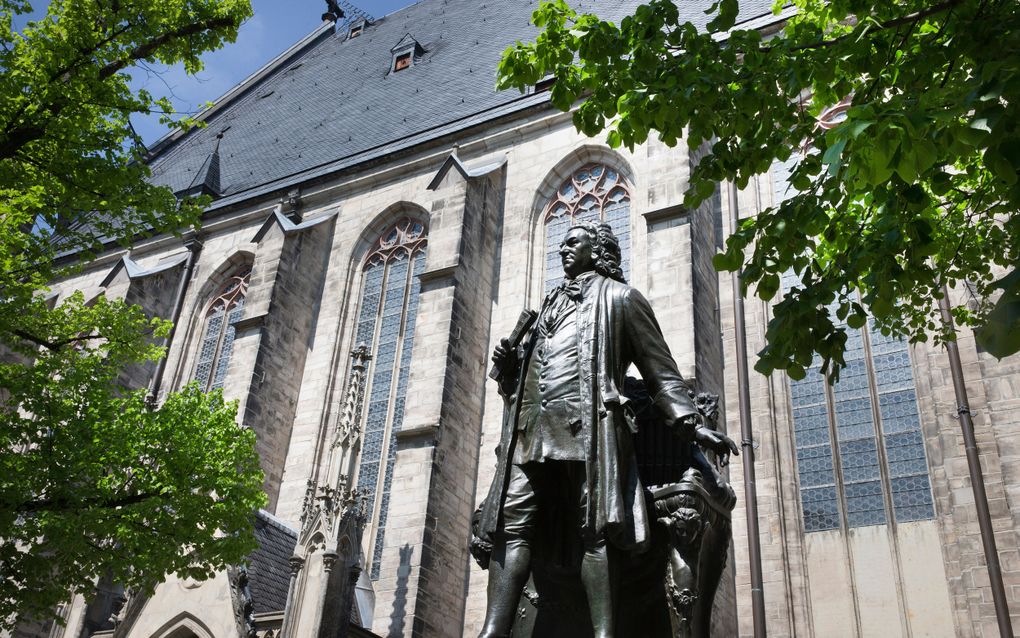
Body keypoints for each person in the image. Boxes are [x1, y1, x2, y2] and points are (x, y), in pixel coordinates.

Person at [476, 222, 737, 638]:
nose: (563, 247)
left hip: (589, 429)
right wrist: (510, 367)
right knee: (511, 521)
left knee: (595, 528)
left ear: (597, 250)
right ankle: (493, 629)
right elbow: (526, 379)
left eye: (573, 241)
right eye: (561, 242)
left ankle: (603, 632)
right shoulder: (546, 307)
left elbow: (660, 371)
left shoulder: (622, 298)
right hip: (532, 430)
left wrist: (692, 426)